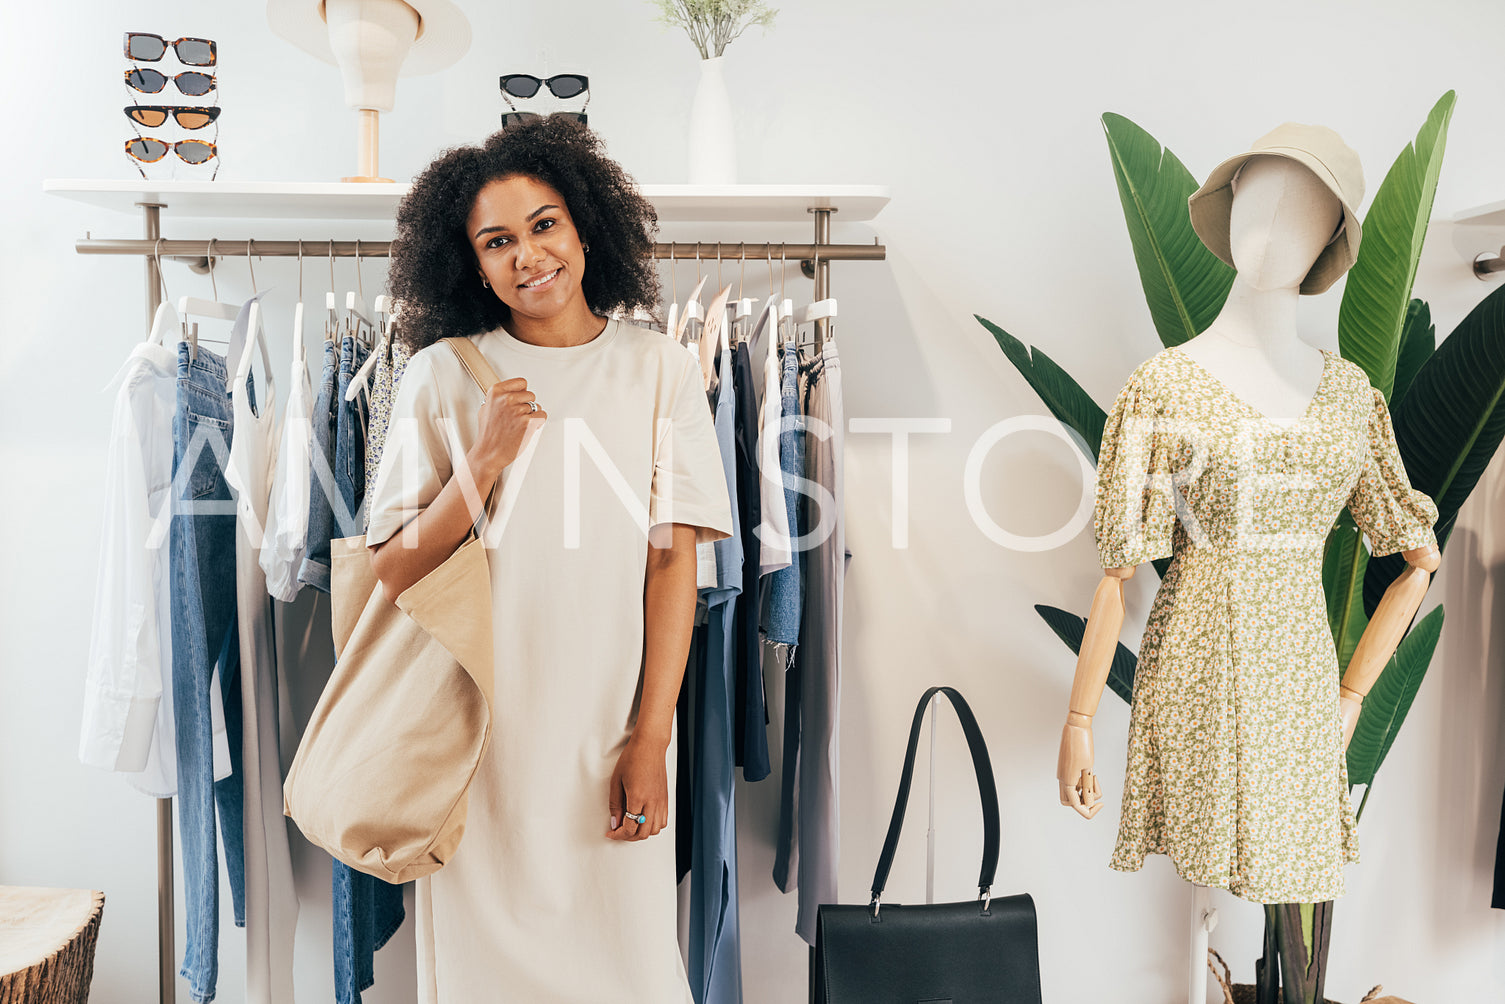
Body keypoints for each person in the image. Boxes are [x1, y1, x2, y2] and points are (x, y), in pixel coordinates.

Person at [365, 117, 733, 1003]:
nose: (527, 255)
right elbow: (393, 569)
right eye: (497, 241)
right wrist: (482, 463)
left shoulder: (662, 372)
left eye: (545, 224)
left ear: (583, 228)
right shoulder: (440, 377)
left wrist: (653, 735)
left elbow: (671, 568)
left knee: (630, 972)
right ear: (472, 266)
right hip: (478, 743)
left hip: (608, 736)